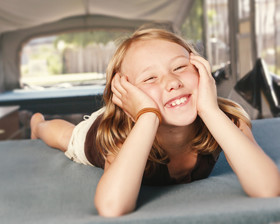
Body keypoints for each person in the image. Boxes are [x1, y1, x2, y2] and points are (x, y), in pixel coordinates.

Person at [30, 27, 280, 217]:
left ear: (201, 69)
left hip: (156, 112)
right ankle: (39, 124)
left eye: (181, 67)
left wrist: (210, 111)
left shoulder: (229, 116)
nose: (172, 82)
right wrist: (147, 115)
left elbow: (267, 188)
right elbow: (112, 207)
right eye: (150, 78)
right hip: (128, 121)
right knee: (65, 137)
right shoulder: (118, 132)